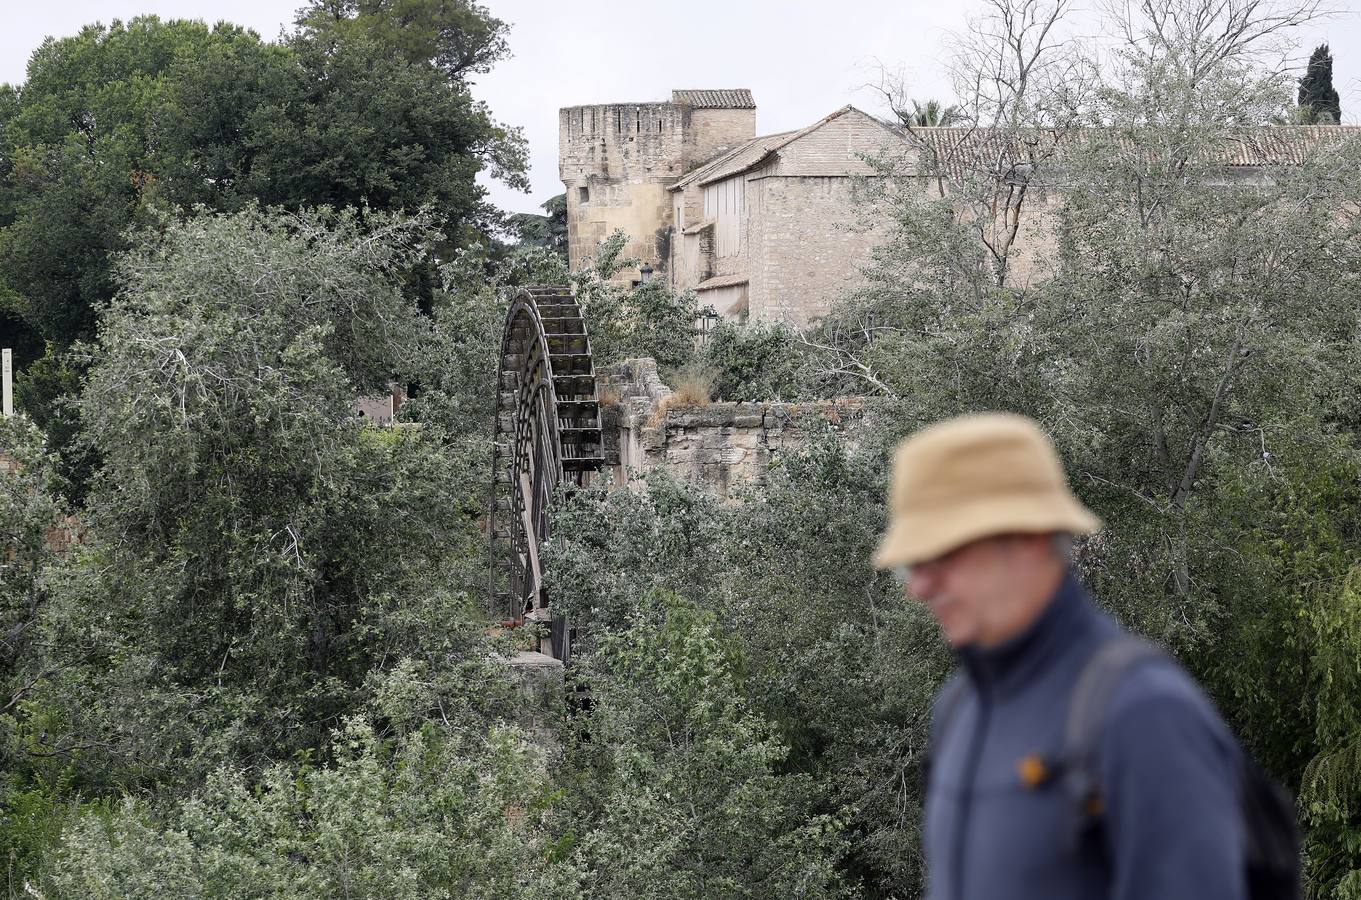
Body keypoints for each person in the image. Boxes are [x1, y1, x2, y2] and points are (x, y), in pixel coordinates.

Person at [874, 413, 1246, 900]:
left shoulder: (1143, 714)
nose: (919, 588)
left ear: (1026, 539)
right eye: (910, 565)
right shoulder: (958, 710)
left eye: (938, 557)